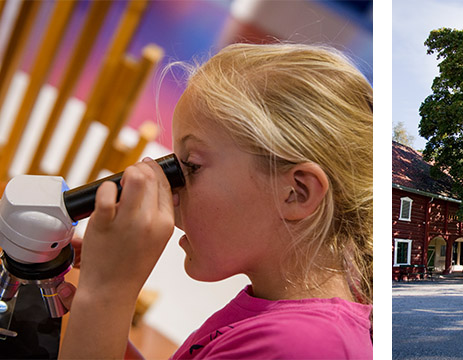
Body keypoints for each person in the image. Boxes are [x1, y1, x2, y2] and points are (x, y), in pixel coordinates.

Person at [60, 43, 373, 359]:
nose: (170, 191)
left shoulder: (299, 347)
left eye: (191, 166)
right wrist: (102, 316)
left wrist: (105, 295)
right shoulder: (287, 325)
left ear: (296, 193)